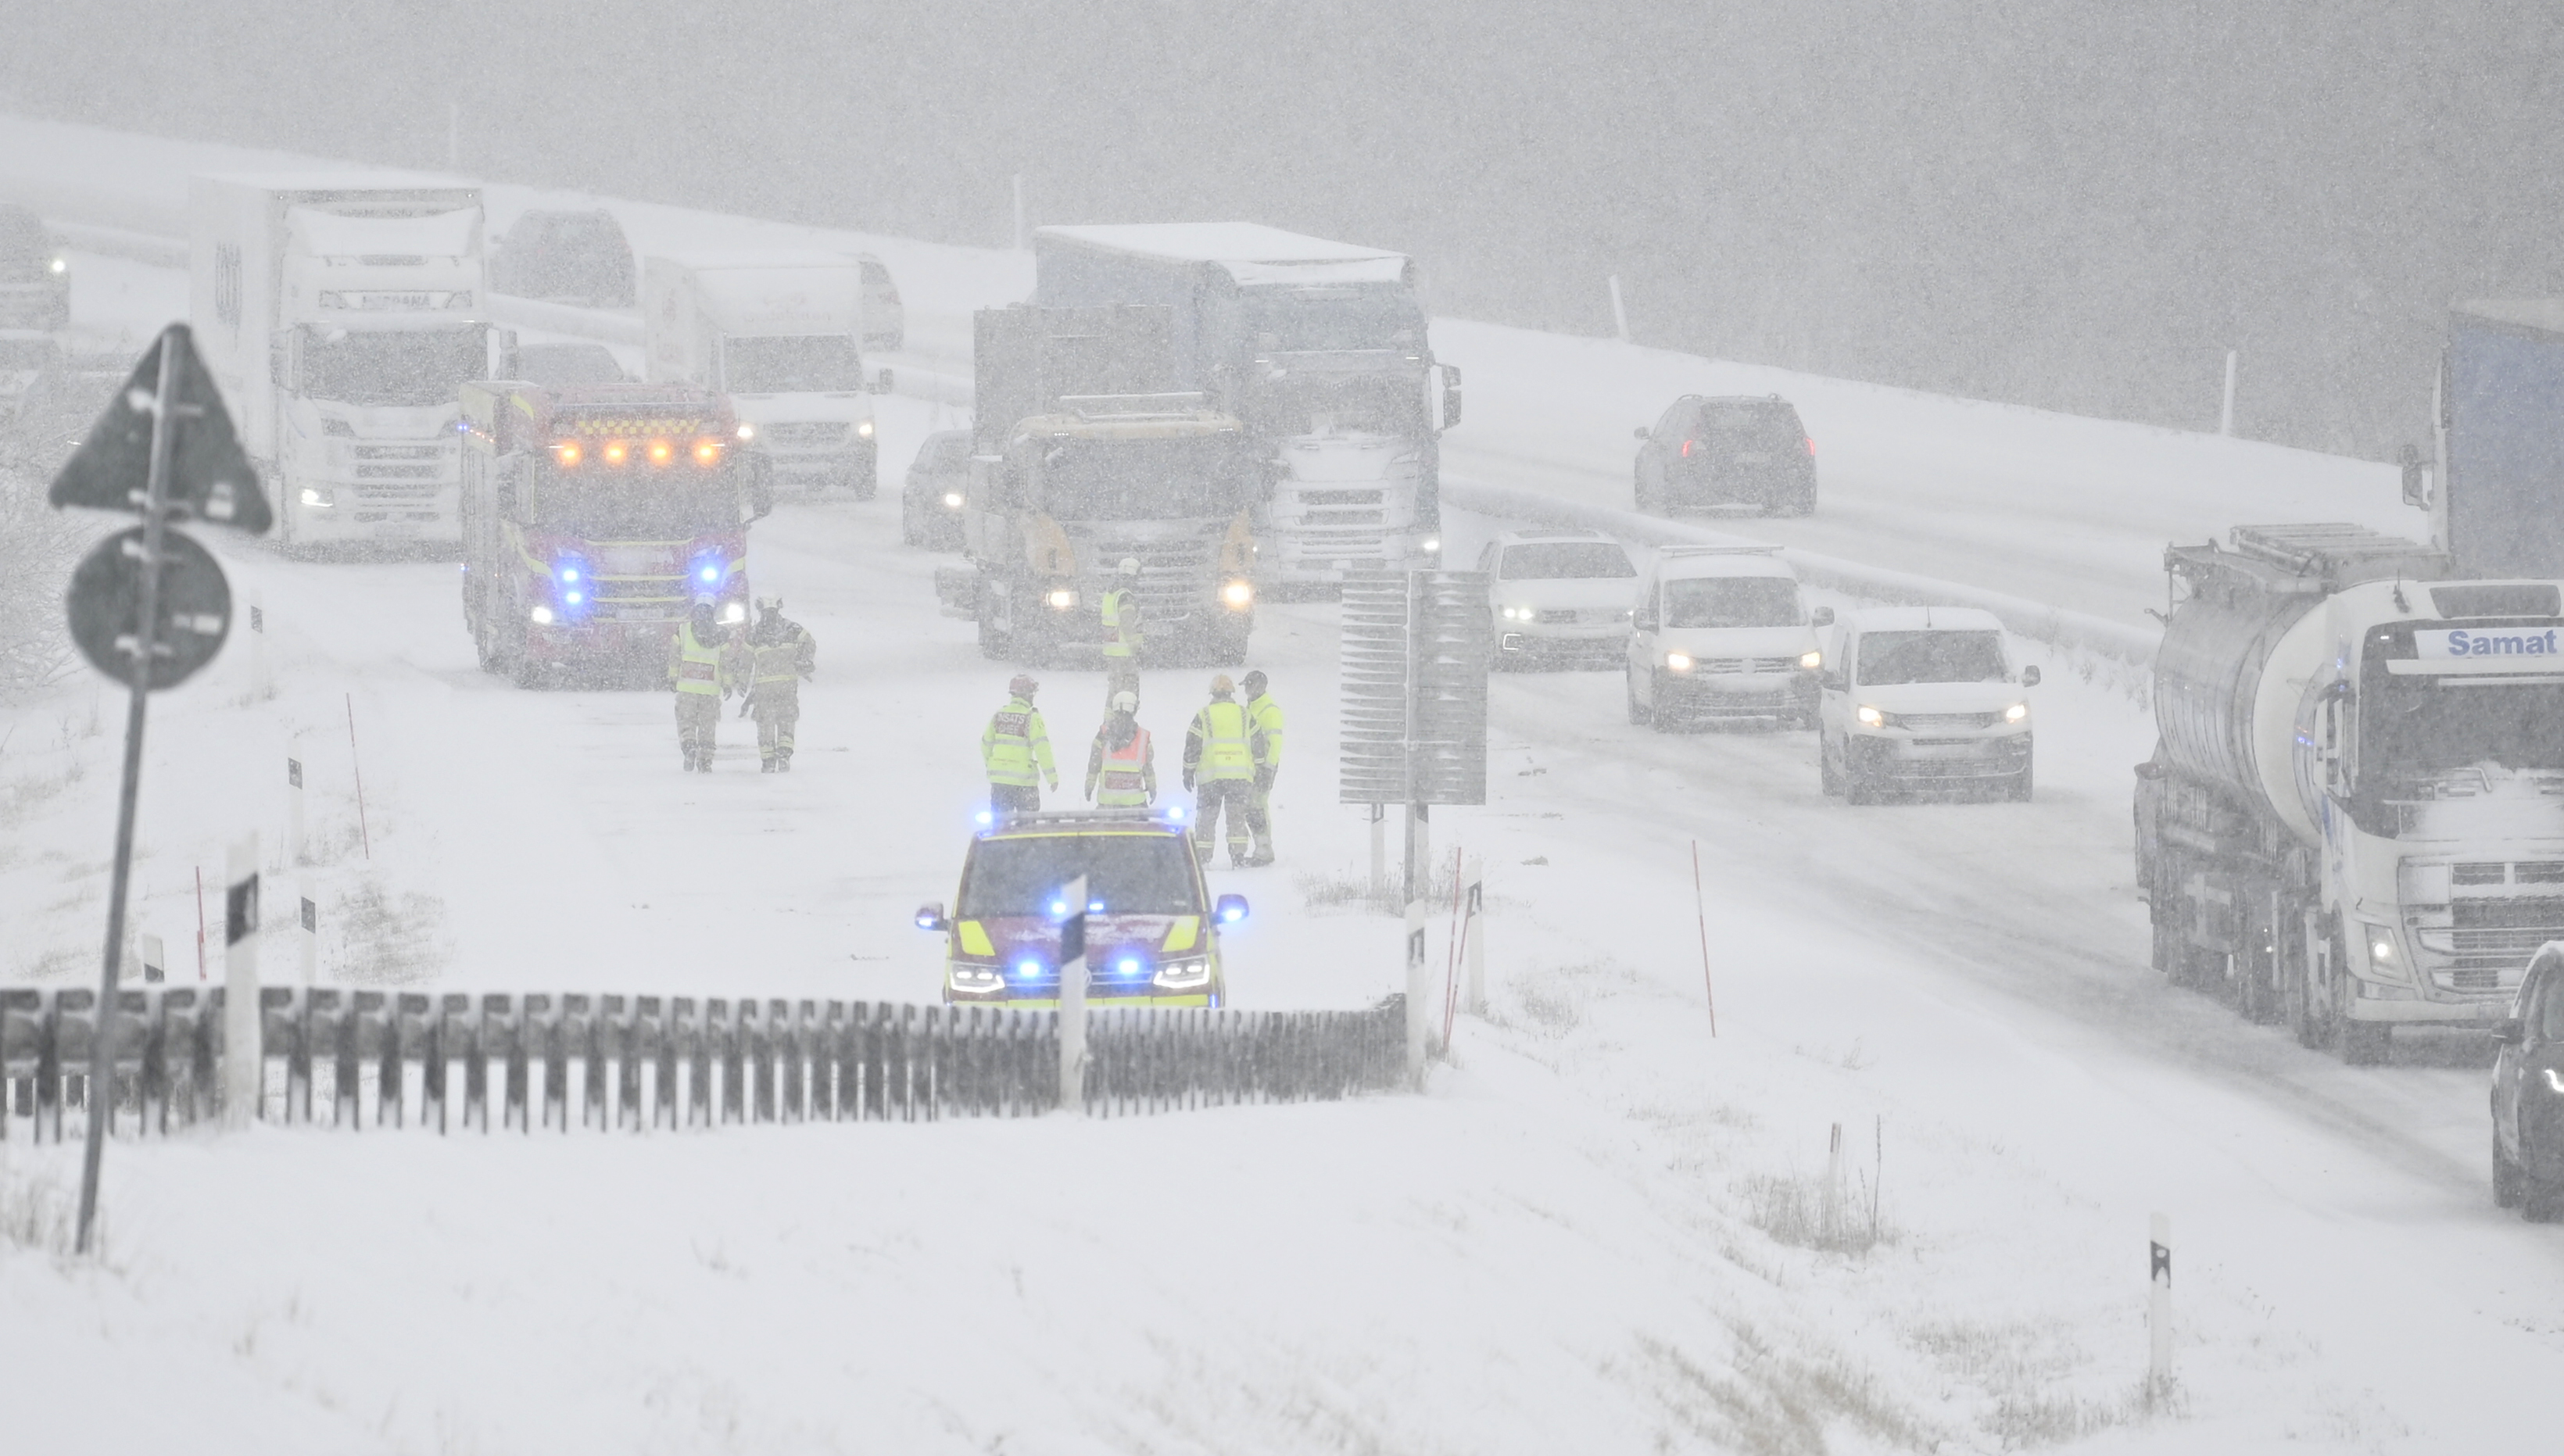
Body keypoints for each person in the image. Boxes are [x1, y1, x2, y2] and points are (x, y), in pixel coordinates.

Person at [1182, 674, 1266, 867]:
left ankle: (1203, 857)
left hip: (1211, 778)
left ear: (1213, 694)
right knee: (1236, 817)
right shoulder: (1245, 714)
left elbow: (1192, 745)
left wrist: (1188, 770)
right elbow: (1258, 743)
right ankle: (1238, 856)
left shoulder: (1204, 715)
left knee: (1207, 818)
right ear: (1231, 694)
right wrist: (1260, 768)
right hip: (1240, 777)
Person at [739, 597, 817, 772]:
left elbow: (745, 662)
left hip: (763, 687)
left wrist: (742, 683)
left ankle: (768, 760)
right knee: (786, 719)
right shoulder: (791, 628)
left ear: (761, 611)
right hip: (787, 685)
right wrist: (803, 661)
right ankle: (784, 753)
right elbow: (810, 642)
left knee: (765, 722)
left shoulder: (754, 634)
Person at [667, 601, 736, 772]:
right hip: (710, 690)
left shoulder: (682, 631)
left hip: (687, 688)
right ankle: (705, 760)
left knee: (686, 721)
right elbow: (726, 663)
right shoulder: (721, 635)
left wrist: (672, 677)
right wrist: (728, 684)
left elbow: (674, 657)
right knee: (708, 725)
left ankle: (689, 746)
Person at [981, 673, 1058, 818]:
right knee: (1027, 828)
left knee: (1000, 827)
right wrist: (1052, 778)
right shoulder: (1031, 717)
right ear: (1028, 694)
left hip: (1000, 784)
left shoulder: (999, 715)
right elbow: (1042, 749)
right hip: (1025, 783)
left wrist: (992, 764)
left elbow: (985, 744)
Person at [1084, 690, 1157, 809]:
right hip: (1135, 806)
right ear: (1135, 709)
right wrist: (1152, 787)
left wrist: (1089, 785)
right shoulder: (1143, 737)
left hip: (1107, 805)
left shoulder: (1103, 735)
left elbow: (1094, 764)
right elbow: (1148, 767)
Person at [1241, 669, 1284, 865]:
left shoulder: (1269, 710)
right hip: (1252, 767)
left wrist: (1268, 768)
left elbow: (1275, 743)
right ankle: (1262, 849)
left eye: (1251, 685)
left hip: (1264, 768)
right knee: (1252, 808)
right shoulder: (1251, 708)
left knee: (1257, 807)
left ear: (1262, 686)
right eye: (1246, 685)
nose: (1248, 689)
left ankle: (1265, 851)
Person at [1101, 556, 1144, 708]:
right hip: (1125, 654)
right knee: (1128, 694)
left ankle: (1108, 724)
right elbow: (1127, 623)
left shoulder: (1111, 594)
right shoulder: (1125, 596)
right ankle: (1124, 725)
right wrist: (1136, 645)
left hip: (1112, 652)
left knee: (1114, 692)